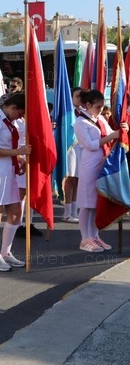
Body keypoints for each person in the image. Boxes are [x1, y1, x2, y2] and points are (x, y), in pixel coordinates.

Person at [0, 93, 30, 272]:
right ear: (12, 108)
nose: (20, 117)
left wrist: (20, 159)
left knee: (16, 212)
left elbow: (9, 147)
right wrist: (18, 152)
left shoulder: (10, 122)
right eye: (19, 113)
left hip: (9, 171)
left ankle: (6, 252)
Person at [73, 89, 127, 252]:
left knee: (97, 202)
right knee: (86, 203)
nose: (100, 110)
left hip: (103, 162)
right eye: (98, 107)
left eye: (102, 107)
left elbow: (111, 134)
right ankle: (85, 238)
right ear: (88, 105)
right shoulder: (80, 123)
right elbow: (89, 144)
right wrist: (113, 136)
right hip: (90, 164)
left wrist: (123, 129)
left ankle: (95, 236)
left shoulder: (101, 118)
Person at [62, 87, 83, 223]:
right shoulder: (67, 111)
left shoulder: (83, 112)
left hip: (81, 148)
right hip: (70, 148)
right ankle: (67, 213)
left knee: (77, 180)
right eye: (77, 96)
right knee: (70, 179)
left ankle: (74, 212)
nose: (80, 98)